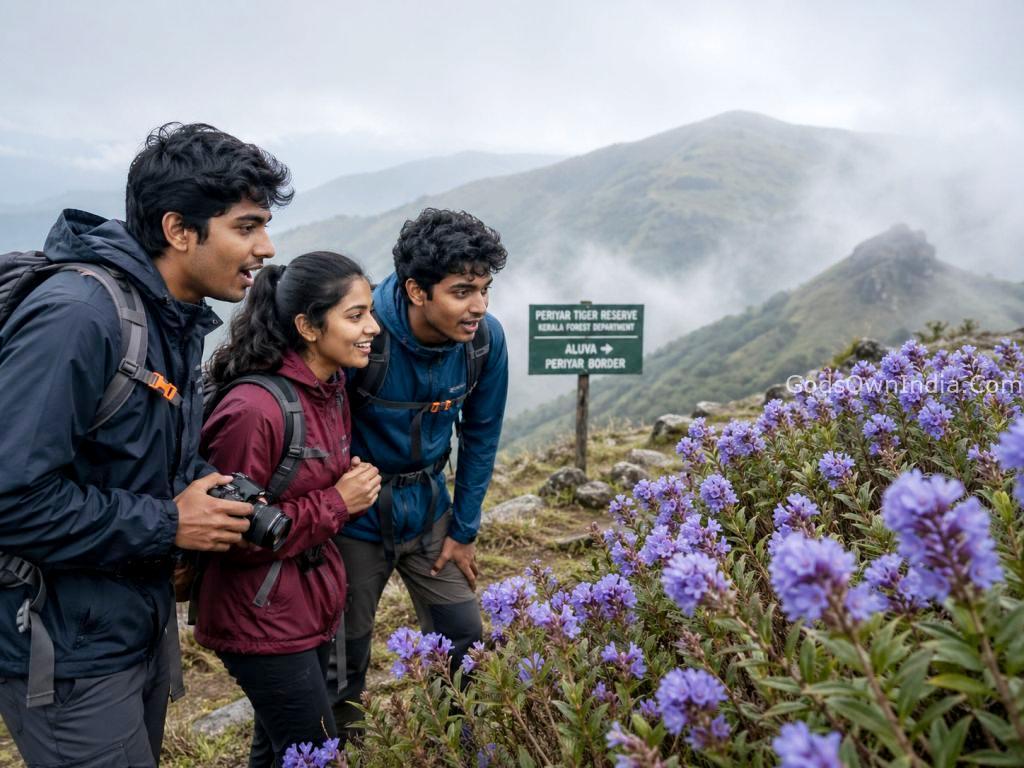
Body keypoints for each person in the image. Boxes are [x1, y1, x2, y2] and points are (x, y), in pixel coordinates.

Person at [0, 122, 291, 767]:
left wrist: (209, 491)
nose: (266, 247)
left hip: (131, 626)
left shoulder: (171, 319)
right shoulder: (81, 316)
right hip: (63, 650)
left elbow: (137, 456)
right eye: (245, 227)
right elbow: (10, 499)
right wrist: (170, 523)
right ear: (178, 230)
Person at [329, 208, 509, 736]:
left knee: (466, 645)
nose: (478, 306)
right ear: (416, 290)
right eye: (461, 291)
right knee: (343, 660)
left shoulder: (483, 342)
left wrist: (464, 528)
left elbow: (480, 433)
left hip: (430, 512)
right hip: (355, 523)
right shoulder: (365, 340)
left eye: (485, 288)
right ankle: (343, 751)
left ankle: (458, 746)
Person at [198, 251, 382, 767]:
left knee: (282, 752)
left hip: (302, 606)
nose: (373, 327)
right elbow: (228, 533)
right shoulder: (254, 410)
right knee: (319, 755)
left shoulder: (330, 390)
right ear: (307, 326)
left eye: (369, 311)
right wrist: (338, 502)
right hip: (259, 617)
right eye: (355, 315)